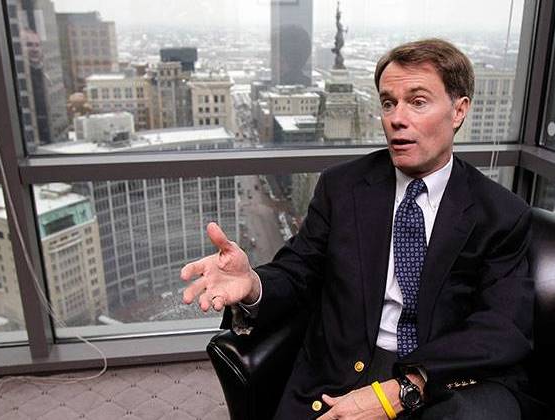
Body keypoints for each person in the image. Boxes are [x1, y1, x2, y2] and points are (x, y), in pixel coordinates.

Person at [182, 38, 535, 419]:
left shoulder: (500, 213)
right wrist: (252, 284)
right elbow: (298, 271)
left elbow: (501, 327)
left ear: (458, 110)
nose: (397, 118)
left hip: (441, 378)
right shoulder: (343, 187)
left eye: (417, 102)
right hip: (340, 373)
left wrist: (404, 389)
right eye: (388, 103)